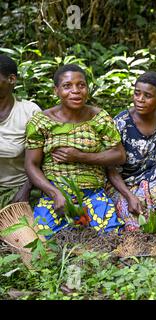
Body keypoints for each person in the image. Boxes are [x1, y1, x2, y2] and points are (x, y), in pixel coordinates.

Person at [25, 64, 125, 236]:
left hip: (93, 194)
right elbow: (31, 165)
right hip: (54, 196)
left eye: (81, 85)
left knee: (111, 236)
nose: (76, 90)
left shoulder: (99, 118)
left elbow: (119, 155)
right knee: (42, 239)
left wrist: (80, 156)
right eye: (67, 86)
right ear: (56, 90)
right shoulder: (41, 122)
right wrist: (54, 193)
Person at [106, 71, 156, 232]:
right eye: (137, 93)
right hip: (124, 184)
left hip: (154, 180)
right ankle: (155, 208)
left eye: (147, 95)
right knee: (137, 224)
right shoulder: (121, 123)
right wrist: (129, 196)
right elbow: (110, 170)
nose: (140, 99)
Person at [0, 54, 41, 209]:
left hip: (19, 189)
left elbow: (43, 160)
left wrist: (26, 190)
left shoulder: (29, 112)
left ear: (11, 79)